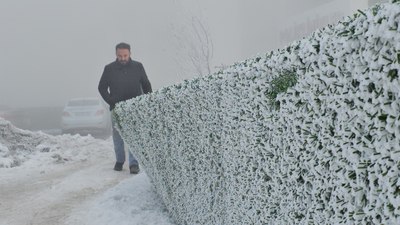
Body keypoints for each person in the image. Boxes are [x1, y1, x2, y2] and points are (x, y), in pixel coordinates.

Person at [98, 42, 152, 174]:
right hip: (117, 108)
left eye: (125, 55)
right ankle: (120, 161)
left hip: (135, 107)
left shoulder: (138, 67)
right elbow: (102, 87)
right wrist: (111, 101)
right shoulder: (109, 69)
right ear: (116, 54)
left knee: (134, 136)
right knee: (118, 136)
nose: (122, 58)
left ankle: (134, 164)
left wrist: (147, 101)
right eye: (120, 56)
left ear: (130, 53)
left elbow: (146, 85)